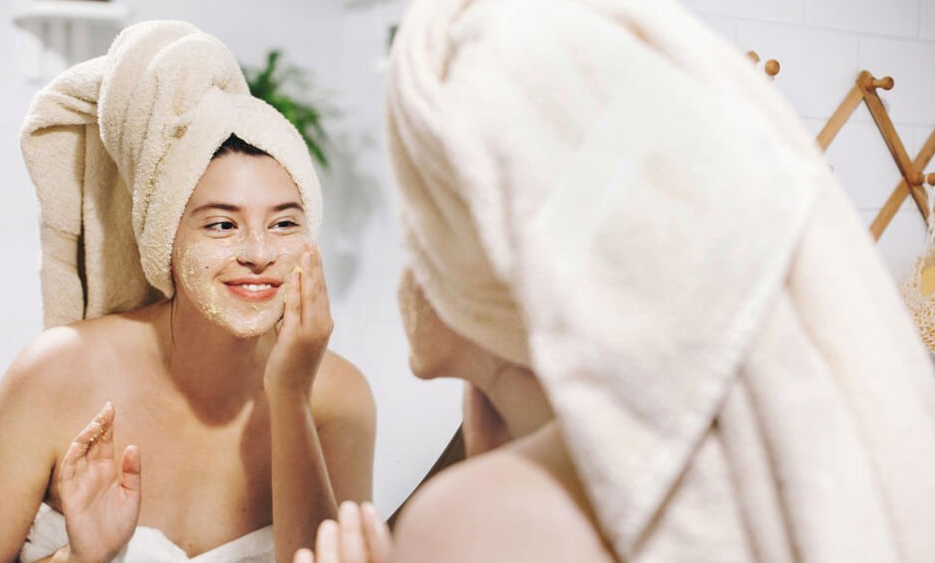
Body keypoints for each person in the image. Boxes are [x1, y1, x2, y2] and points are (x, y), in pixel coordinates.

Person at [299, 0, 935, 561]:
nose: (410, 261)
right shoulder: (783, 470)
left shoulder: (480, 520)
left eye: (423, 211)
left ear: (490, 255)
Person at [0, 21, 375, 563]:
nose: (259, 253)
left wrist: (290, 398)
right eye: (221, 225)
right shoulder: (57, 374)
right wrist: (81, 559)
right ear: (163, 239)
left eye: (284, 223)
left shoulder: (339, 399)